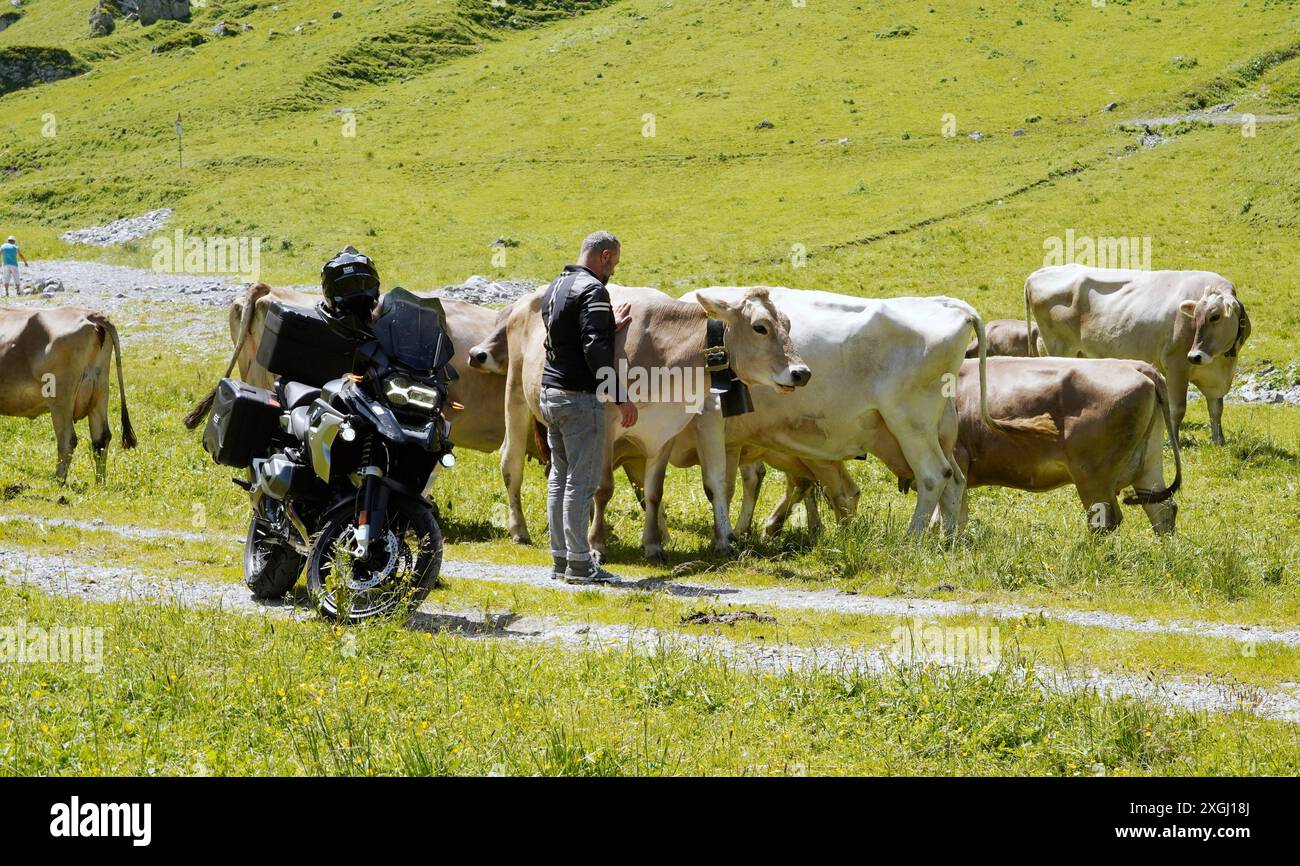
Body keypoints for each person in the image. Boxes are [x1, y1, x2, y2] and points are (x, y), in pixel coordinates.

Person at [539, 231, 637, 584]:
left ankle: (561, 560)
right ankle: (581, 565)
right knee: (582, 483)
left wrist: (606, 326)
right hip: (579, 398)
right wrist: (620, 396)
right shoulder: (594, 291)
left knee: (559, 479)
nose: (613, 271)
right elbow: (594, 350)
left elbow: (565, 336)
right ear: (605, 256)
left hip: (549, 393)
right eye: (614, 264)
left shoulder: (556, 285)